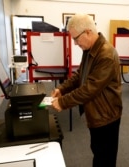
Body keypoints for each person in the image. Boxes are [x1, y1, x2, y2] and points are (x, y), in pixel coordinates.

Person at [51, 13, 122, 167]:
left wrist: (63, 102)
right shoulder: (90, 50)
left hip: (106, 117)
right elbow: (80, 75)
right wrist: (62, 89)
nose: (75, 43)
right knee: (98, 153)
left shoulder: (106, 55)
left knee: (104, 159)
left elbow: (90, 89)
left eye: (76, 39)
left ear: (88, 32)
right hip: (97, 114)